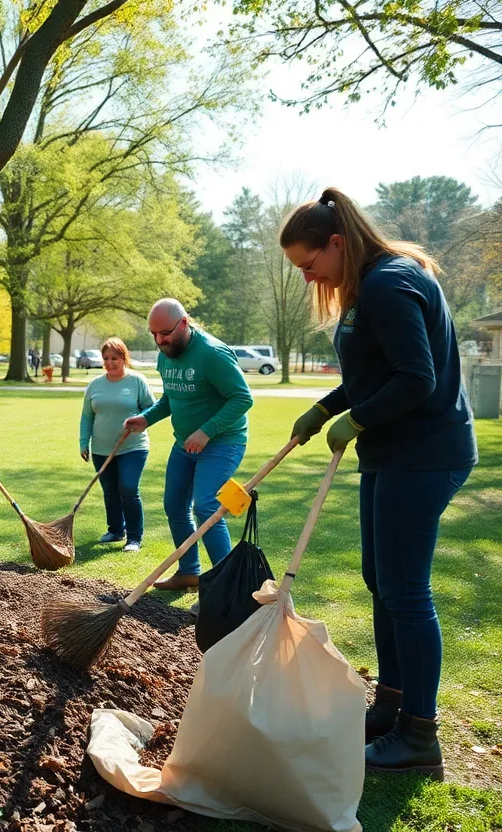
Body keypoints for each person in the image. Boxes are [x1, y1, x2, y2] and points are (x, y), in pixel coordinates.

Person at [282, 188, 477, 778]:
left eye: (309, 264)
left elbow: (416, 378)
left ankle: (419, 737)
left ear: (337, 243)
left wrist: (357, 418)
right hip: (390, 452)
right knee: (380, 579)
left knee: (406, 590)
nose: (308, 277)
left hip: (423, 453)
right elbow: (374, 372)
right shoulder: (369, 287)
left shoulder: (391, 284)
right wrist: (324, 408)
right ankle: (390, 706)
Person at [124, 299, 253, 597]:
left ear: (184, 323)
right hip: (185, 444)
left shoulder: (213, 354)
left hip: (222, 442)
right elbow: (171, 399)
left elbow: (242, 398)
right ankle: (190, 573)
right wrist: (146, 418)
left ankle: (226, 587)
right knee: (174, 506)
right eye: (153, 334)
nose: (159, 340)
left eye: (165, 333)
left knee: (207, 505)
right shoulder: (165, 355)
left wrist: (207, 431)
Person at [79, 337, 154, 552]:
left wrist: (138, 421)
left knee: (128, 488)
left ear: (124, 357)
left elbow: (152, 408)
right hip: (101, 448)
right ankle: (115, 530)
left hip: (133, 446)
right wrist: (84, 443)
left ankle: (134, 538)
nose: (110, 363)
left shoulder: (137, 381)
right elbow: (86, 417)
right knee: (110, 491)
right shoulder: (95, 385)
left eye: (115, 358)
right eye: (106, 358)